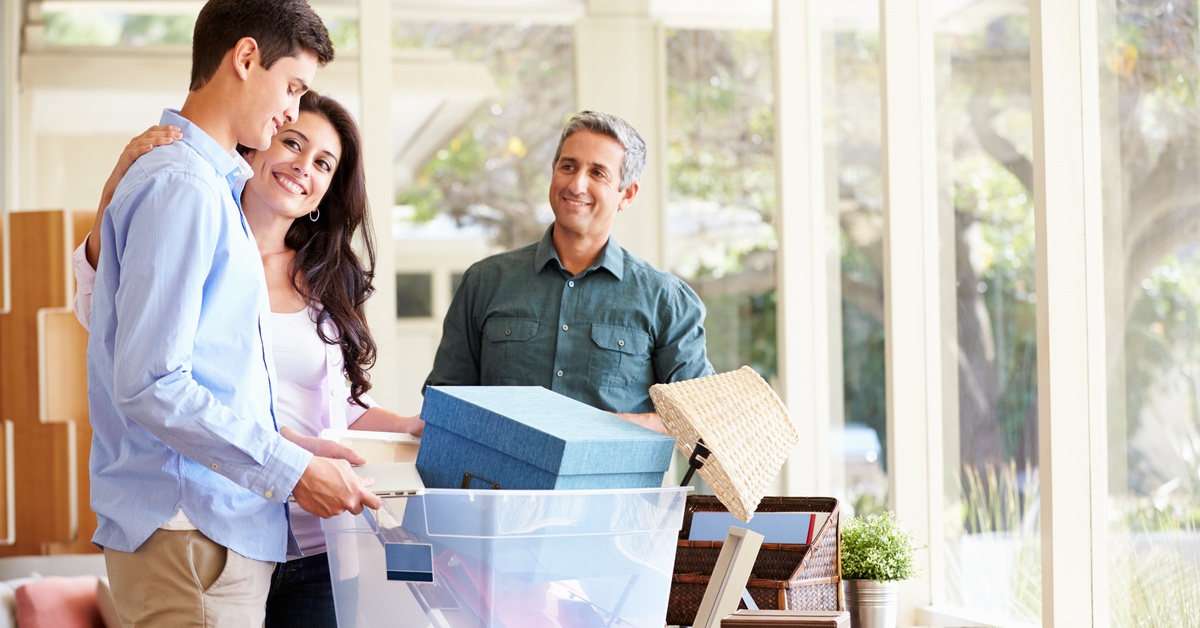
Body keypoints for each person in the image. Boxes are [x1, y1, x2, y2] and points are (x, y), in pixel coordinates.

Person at [82, 1, 382, 625]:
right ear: (246, 58)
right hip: (192, 528)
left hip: (215, 530)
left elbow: (203, 374)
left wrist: (292, 442)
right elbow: (151, 382)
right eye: (293, 88)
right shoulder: (183, 186)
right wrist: (293, 468)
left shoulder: (209, 188)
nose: (291, 112)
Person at [424, 110, 715, 433]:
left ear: (627, 194)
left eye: (598, 173)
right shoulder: (486, 282)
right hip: (502, 484)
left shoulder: (665, 299)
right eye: (568, 167)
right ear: (553, 172)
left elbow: (698, 421)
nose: (577, 184)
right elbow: (444, 405)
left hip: (617, 484)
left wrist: (597, 427)